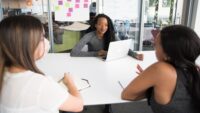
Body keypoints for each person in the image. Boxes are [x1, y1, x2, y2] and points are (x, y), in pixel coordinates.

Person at [0, 15, 83, 113]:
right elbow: (78, 105)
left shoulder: (4, 73)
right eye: (42, 38)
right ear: (28, 44)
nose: (46, 42)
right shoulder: (39, 85)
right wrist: (70, 83)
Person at [121, 25, 200, 113]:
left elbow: (127, 95)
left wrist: (150, 80)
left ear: (167, 54)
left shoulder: (161, 70)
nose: (154, 46)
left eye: (156, 45)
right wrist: (153, 80)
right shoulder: (194, 68)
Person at [70, 14, 143, 60]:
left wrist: (135, 55)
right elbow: (73, 52)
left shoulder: (111, 35)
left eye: (106, 25)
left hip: (108, 61)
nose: (103, 28)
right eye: (100, 24)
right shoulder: (89, 36)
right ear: (95, 25)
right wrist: (96, 54)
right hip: (92, 62)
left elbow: (123, 47)